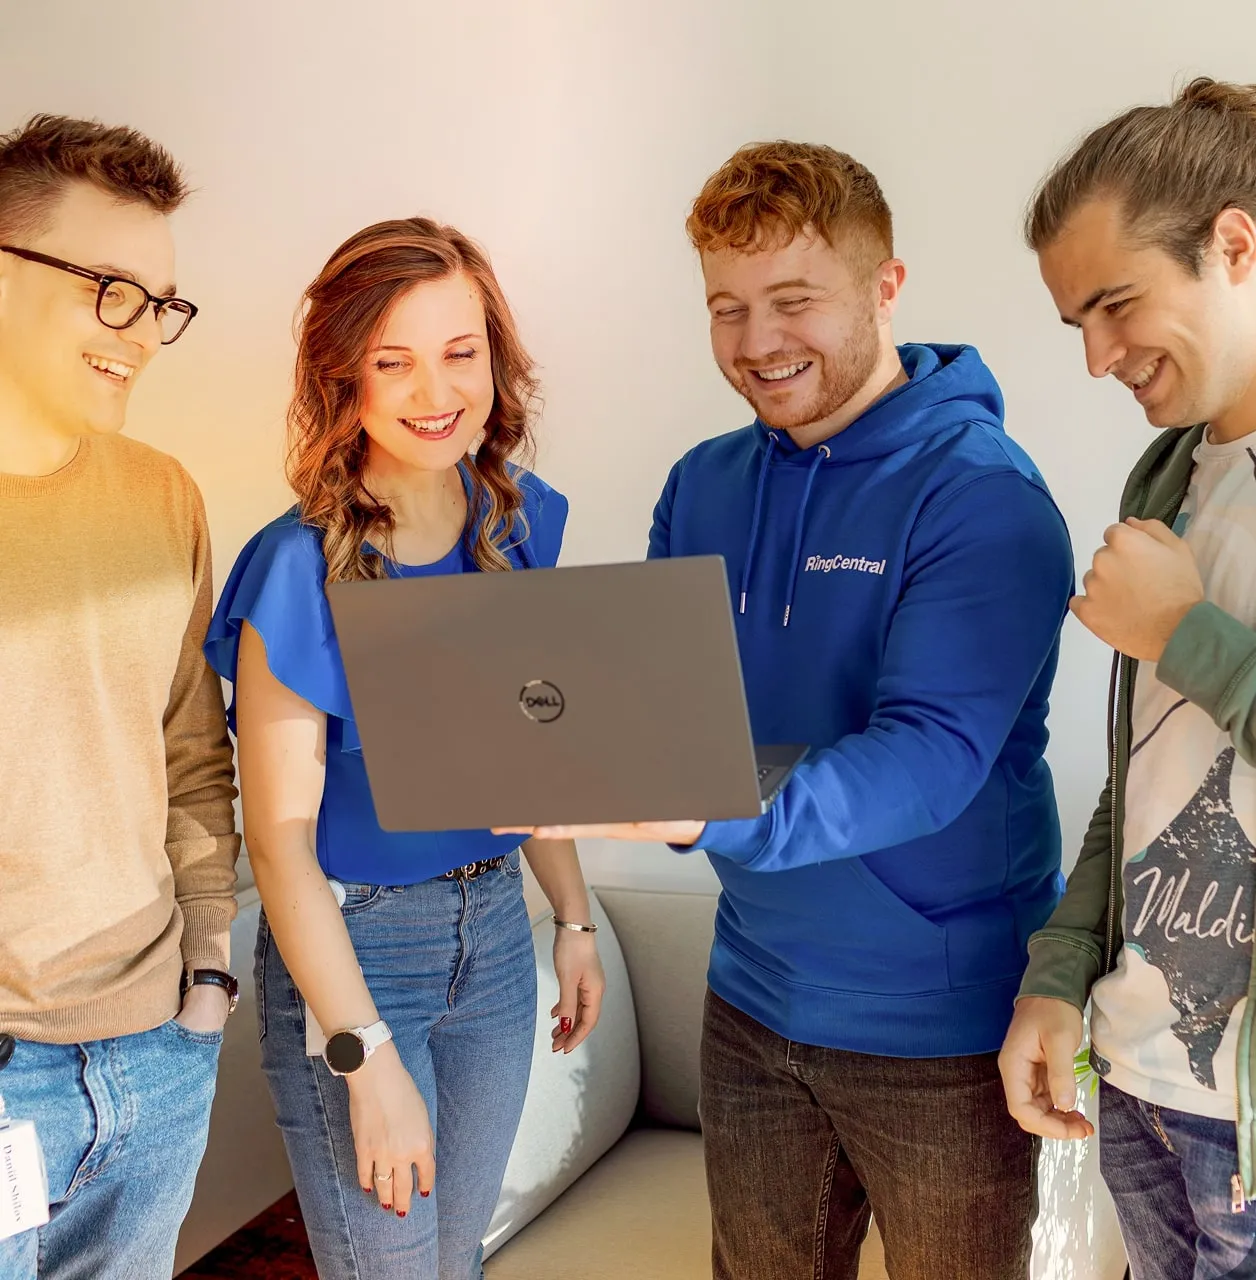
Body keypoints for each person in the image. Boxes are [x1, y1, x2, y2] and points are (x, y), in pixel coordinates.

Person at [498, 141, 1074, 1279]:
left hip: (943, 1029)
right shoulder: (701, 482)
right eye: (726, 308)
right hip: (750, 997)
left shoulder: (981, 497)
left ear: (884, 287)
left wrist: (697, 808)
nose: (757, 342)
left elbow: (928, 761)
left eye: (793, 302)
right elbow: (660, 703)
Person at [204, 216, 604, 1280]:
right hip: (360, 952)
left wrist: (570, 914)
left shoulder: (517, 522)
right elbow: (280, 842)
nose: (436, 390)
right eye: (394, 361)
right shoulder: (296, 568)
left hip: (495, 944)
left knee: (454, 1257)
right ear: (346, 378)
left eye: (459, 352)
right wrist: (363, 1055)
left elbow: (535, 752)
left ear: (494, 358)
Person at [998, 77, 1256, 1280]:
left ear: (1233, 244)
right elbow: (1143, 777)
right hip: (1143, 1082)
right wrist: (1058, 977)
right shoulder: (1164, 481)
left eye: (1115, 304)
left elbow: (1191, 670)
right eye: (1076, 326)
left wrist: (1183, 633)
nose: (1099, 357)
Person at [0, 115, 240, 1279]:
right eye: (111, 289)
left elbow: (193, 747)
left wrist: (208, 967)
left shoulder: (163, 495)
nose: (145, 335)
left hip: (156, 1050)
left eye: (162, 302)